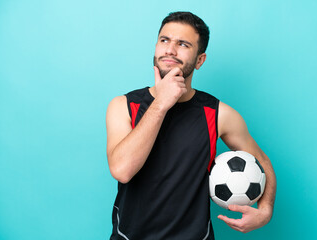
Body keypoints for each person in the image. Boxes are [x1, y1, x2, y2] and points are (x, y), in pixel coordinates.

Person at [106, 11, 276, 239]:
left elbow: (262, 161)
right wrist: (161, 103)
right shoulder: (124, 105)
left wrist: (265, 212)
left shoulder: (218, 114)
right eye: (164, 40)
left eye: (183, 44)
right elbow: (122, 170)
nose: (170, 50)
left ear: (199, 60)